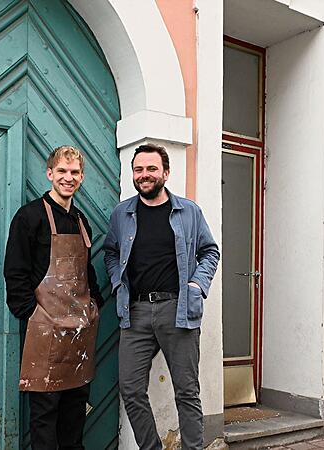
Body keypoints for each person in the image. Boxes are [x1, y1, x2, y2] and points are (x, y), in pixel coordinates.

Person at [103, 143, 220, 449]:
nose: (145, 175)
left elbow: (210, 251)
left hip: (178, 309)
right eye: (139, 169)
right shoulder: (122, 214)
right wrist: (118, 283)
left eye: (152, 169)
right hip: (136, 311)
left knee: (186, 391)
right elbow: (111, 253)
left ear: (165, 173)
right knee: (130, 388)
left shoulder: (188, 211)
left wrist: (197, 284)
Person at [4, 145, 103, 450]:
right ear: (50, 174)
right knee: (45, 415)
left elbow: (87, 271)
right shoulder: (30, 216)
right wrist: (32, 315)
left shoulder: (80, 220)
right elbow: (15, 272)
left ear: (82, 177)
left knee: (75, 412)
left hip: (79, 334)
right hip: (45, 331)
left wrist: (94, 308)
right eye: (62, 171)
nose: (68, 178)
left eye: (74, 172)